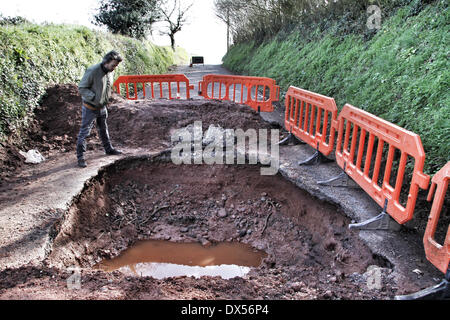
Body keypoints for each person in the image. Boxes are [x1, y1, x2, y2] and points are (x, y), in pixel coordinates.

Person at [76, 50, 123, 168]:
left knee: (103, 129)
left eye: (116, 66)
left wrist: (105, 99)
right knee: (85, 132)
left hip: (102, 107)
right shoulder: (92, 71)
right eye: (113, 65)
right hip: (90, 107)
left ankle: (109, 149)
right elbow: (82, 88)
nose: (114, 68)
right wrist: (94, 98)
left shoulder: (109, 72)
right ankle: (80, 157)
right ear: (106, 62)